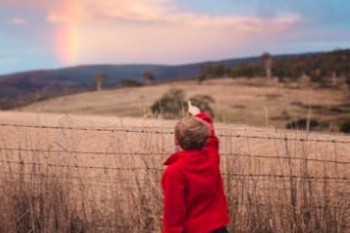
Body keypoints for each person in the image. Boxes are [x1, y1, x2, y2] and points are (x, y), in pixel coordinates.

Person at [161, 101, 229, 233]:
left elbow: (173, 213)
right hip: (219, 227)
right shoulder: (211, 156)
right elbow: (212, 137)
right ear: (205, 138)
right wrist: (199, 114)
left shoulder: (175, 171)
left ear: (176, 140)